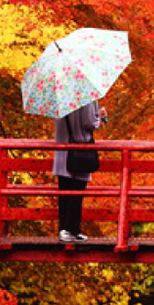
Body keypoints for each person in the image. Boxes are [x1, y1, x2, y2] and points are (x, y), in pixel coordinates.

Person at [53, 100, 106, 242]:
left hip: (62, 151)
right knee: (77, 192)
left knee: (64, 192)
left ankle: (65, 229)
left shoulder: (60, 98)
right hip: (79, 150)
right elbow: (89, 122)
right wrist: (100, 117)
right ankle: (71, 229)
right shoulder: (86, 98)